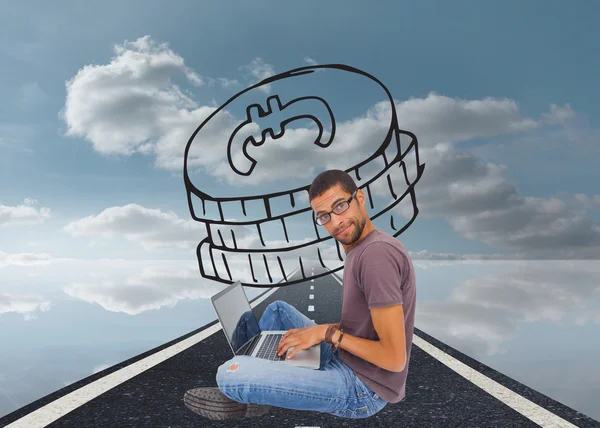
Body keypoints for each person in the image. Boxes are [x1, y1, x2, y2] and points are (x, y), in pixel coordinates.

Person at [183, 169, 416, 420]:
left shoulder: (376, 255)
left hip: (362, 388)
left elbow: (393, 359)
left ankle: (255, 384)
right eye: (324, 216)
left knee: (229, 374)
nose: (335, 222)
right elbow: (366, 327)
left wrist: (325, 333)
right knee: (278, 310)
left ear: (359, 198)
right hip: (348, 357)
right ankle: (266, 374)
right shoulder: (362, 247)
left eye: (340, 206)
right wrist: (320, 331)